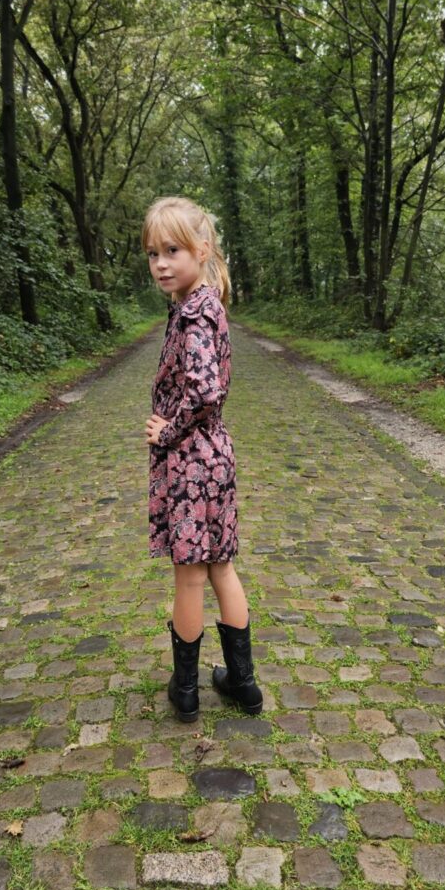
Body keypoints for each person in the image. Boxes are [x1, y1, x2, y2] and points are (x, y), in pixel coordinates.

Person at [143, 196, 263, 723]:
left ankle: (187, 691)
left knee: (191, 577)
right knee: (222, 568)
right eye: (153, 253)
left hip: (191, 460)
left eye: (173, 250)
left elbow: (205, 392)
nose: (161, 263)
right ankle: (244, 685)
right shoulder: (206, 305)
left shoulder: (193, 315)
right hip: (215, 457)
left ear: (203, 249)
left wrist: (168, 431)